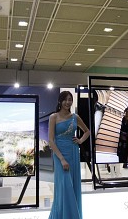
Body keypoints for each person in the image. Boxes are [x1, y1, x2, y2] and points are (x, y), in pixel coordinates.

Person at [48, 91, 90, 219]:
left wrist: (80, 140)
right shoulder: (53, 117)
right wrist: (61, 159)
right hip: (60, 154)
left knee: (72, 185)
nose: (68, 102)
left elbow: (87, 131)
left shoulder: (75, 117)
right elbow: (51, 140)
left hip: (73, 152)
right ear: (60, 101)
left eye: (70, 99)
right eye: (65, 99)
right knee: (64, 186)